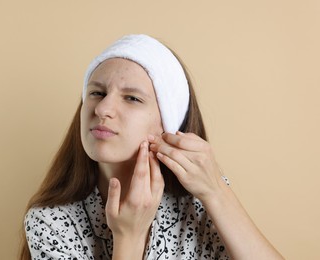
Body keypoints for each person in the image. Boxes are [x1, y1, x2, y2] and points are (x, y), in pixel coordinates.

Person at [20, 34, 284, 259]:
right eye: (96, 93)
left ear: (168, 125)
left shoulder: (200, 202)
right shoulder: (50, 222)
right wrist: (128, 238)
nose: (102, 109)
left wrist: (217, 192)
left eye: (132, 98)